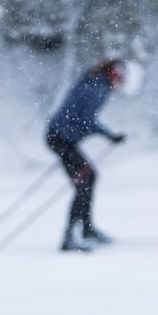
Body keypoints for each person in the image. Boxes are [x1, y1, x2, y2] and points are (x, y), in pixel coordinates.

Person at [45, 59, 126, 252]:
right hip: (60, 138)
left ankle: (86, 229)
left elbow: (81, 118)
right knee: (85, 181)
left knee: (88, 178)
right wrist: (110, 136)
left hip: (61, 137)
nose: (121, 85)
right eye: (121, 79)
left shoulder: (96, 82)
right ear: (114, 76)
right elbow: (86, 121)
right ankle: (70, 237)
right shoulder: (96, 89)